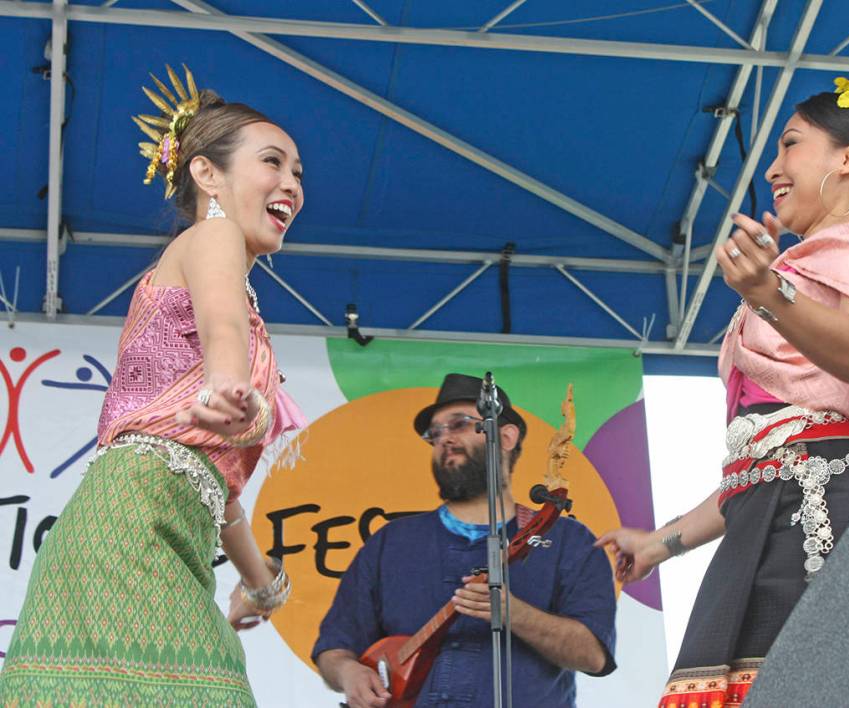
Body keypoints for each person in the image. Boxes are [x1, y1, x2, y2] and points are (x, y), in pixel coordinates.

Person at [597, 66, 849, 706]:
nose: (772, 168)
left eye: (791, 143)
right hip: (772, 511)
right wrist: (658, 544)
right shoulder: (798, 271)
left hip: (825, 513)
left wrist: (769, 291)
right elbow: (764, 466)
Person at [0, 65, 306, 705]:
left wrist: (262, 584)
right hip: (129, 524)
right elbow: (222, 330)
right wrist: (228, 385)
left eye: (298, 173)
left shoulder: (234, 288)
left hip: (159, 526)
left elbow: (219, 497)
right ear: (206, 173)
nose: (291, 185)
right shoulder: (212, 235)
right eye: (273, 163)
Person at [313, 373, 617, 708]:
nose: (443, 439)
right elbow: (335, 646)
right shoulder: (389, 544)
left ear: (505, 436)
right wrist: (347, 673)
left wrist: (513, 613)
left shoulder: (567, 541)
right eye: (435, 433)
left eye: (459, 424)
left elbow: (594, 655)